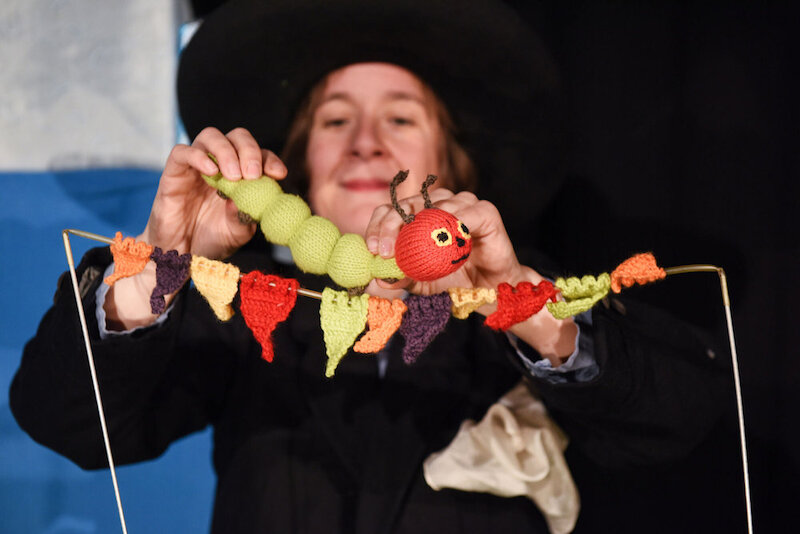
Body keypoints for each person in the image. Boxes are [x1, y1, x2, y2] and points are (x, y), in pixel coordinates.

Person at [10, 1, 730, 532]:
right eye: (334, 120)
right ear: (301, 162)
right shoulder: (247, 307)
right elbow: (64, 421)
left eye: (401, 118)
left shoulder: (524, 292)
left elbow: (681, 414)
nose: (365, 142)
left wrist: (528, 312)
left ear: (451, 164)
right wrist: (157, 269)